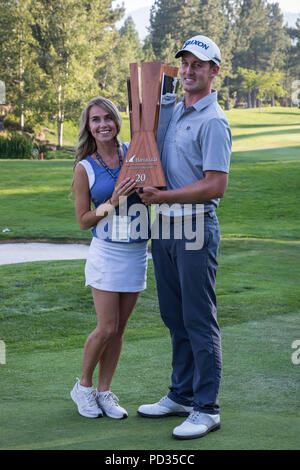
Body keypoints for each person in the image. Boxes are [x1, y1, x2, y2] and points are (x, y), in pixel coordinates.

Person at [137, 35, 232, 439]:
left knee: (197, 317)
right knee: (173, 315)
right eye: (186, 63)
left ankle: (206, 408)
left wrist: (163, 196)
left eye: (199, 64)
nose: (190, 70)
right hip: (164, 226)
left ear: (214, 72)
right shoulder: (173, 109)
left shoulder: (214, 121)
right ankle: (181, 393)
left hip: (194, 224)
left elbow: (215, 186)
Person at [70, 97, 148, 419]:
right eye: (95, 120)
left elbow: (153, 186)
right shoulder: (84, 167)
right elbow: (83, 220)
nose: (103, 124)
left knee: (120, 329)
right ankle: (83, 387)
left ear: (117, 121)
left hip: (137, 251)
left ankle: (104, 391)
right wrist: (113, 202)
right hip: (106, 252)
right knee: (106, 327)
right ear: (89, 127)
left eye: (108, 118)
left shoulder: (135, 153)